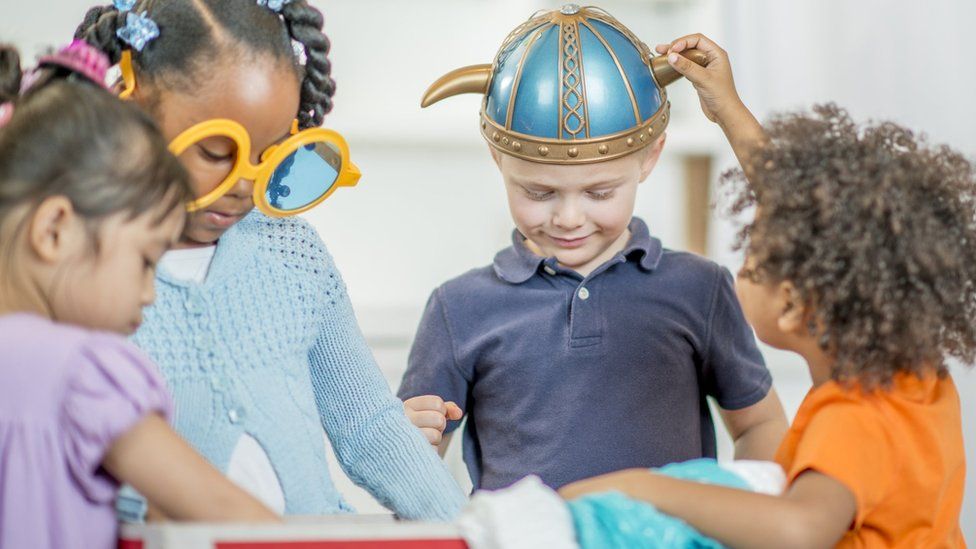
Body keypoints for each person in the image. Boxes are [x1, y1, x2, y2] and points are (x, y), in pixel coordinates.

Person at [560, 33, 973, 547]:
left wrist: (648, 487)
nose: (742, 268)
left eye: (753, 255)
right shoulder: (917, 377)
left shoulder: (851, 419)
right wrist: (726, 107)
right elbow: (809, 210)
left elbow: (798, 530)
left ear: (794, 304)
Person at [75, 0, 464, 519]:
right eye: (216, 152)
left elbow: (369, 422)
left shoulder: (292, 252)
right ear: (130, 111)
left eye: (273, 154)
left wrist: (466, 528)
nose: (245, 184)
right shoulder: (81, 272)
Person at [399, 5, 787, 491]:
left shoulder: (699, 289)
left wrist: (736, 509)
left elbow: (760, 425)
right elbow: (408, 468)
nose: (568, 218)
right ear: (497, 157)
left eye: (600, 193)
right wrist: (412, 446)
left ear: (650, 157)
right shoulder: (458, 309)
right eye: (538, 193)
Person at [0, 42, 276, 549]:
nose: (149, 293)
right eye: (146, 261)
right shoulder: (82, 375)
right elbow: (232, 518)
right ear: (55, 229)